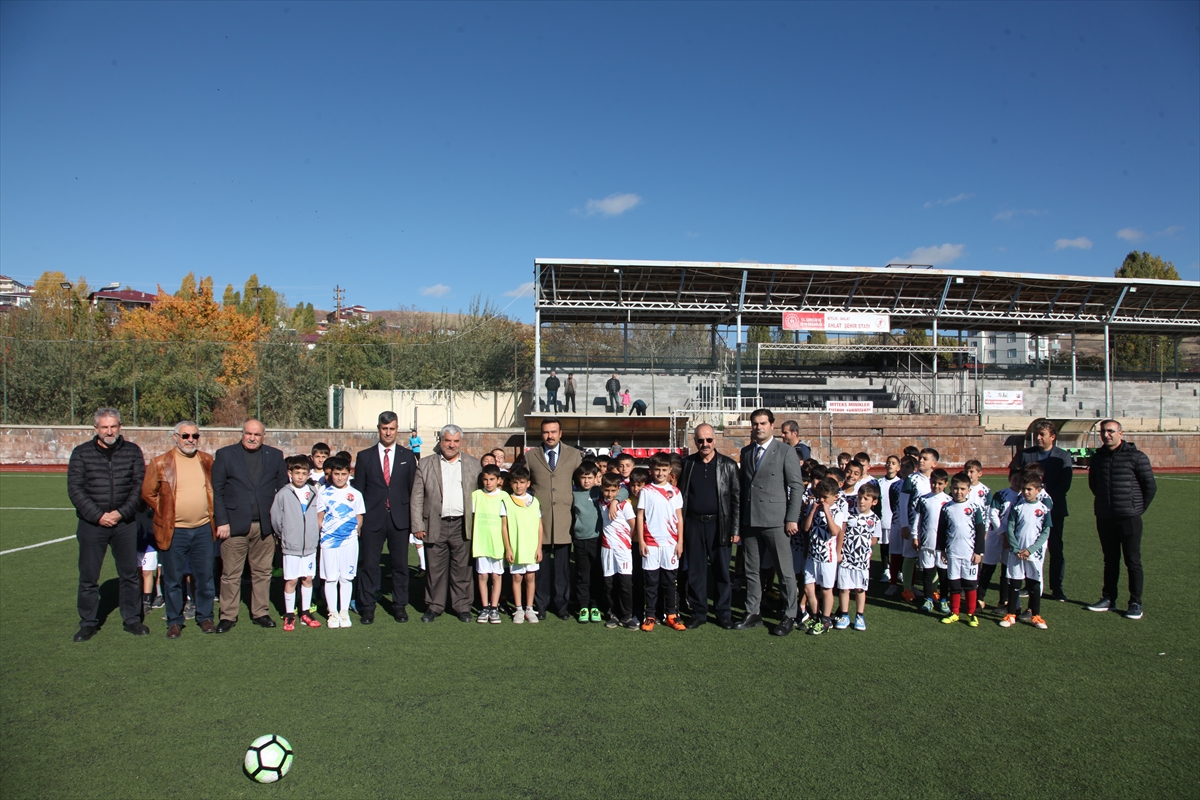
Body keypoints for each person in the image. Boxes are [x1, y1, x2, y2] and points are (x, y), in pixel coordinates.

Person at [67, 408, 149, 641]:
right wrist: (98, 515)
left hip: (124, 524)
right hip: (92, 525)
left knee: (130, 574)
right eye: (104, 427)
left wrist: (121, 513)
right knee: (89, 576)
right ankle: (88, 623)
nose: (109, 431)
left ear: (120, 427)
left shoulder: (133, 451)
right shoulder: (81, 453)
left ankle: (132, 619)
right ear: (96, 429)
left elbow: (138, 487)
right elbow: (75, 489)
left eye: (113, 426)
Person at [141, 420, 216, 638]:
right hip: (174, 531)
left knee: (204, 577)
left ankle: (206, 617)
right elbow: (148, 493)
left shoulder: (207, 460)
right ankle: (174, 620)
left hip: (203, 528)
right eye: (185, 436)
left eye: (194, 436)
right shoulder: (160, 463)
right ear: (175, 437)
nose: (190, 440)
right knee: (173, 579)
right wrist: (165, 511)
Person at [211, 419, 287, 633]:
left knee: (263, 572)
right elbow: (217, 492)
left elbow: (282, 491)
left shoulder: (275, 456)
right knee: (231, 574)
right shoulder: (225, 455)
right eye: (248, 433)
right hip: (233, 526)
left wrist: (278, 525)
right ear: (242, 433)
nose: (252, 437)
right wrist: (222, 521)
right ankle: (228, 615)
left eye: (257, 434)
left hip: (264, 526)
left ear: (264, 436)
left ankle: (261, 612)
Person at [735, 408, 804, 636]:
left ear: (772, 425)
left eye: (763, 423)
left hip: (777, 520)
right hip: (751, 520)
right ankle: (752, 612)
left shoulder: (785, 451)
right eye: (755, 423)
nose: (759, 427)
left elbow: (796, 486)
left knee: (785, 572)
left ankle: (789, 614)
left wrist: (792, 517)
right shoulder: (746, 452)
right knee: (751, 570)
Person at [1086, 420, 1156, 620]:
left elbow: (1149, 487)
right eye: (1103, 431)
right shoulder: (1098, 458)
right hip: (1105, 516)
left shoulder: (1136, 457)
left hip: (1129, 517)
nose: (1106, 435)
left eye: (1110, 431)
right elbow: (1094, 485)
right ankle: (1108, 598)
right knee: (1110, 559)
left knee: (1132, 560)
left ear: (1120, 433)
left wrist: (1137, 509)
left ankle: (1135, 602)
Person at [411, 424, 480, 623]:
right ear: (440, 441)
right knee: (435, 569)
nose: (451, 445)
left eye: (456, 441)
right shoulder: (425, 464)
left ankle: (462, 606)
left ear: (461, 442)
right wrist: (417, 525)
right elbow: (417, 497)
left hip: (462, 524)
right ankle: (434, 606)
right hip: (435, 523)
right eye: (447, 440)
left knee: (463, 568)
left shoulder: (473, 464)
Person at [353, 411, 416, 624]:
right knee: (369, 564)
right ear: (378, 429)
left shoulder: (408, 457)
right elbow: (358, 492)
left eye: (392, 429)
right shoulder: (364, 456)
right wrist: (359, 520)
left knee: (399, 565)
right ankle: (367, 606)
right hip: (372, 519)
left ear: (397, 429)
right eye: (384, 428)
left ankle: (399, 606)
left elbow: (411, 491)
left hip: (399, 519)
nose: (388, 433)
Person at [677, 423, 740, 629]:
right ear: (694, 441)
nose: (705, 444)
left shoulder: (728, 465)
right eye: (700, 440)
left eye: (709, 440)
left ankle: (723, 613)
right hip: (693, 524)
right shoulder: (687, 464)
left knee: (722, 571)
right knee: (696, 571)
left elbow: (736, 500)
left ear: (715, 440)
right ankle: (698, 612)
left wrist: (735, 530)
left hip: (719, 525)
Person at [525, 417, 583, 620]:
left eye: (553, 432)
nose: (549, 436)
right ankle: (541, 604)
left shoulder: (575, 455)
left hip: (564, 520)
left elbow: (586, 482)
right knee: (540, 567)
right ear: (541, 434)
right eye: (546, 432)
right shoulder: (531, 456)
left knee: (563, 568)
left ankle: (562, 605)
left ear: (561, 433)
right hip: (539, 521)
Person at [1017, 420, 1073, 601]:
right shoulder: (1026, 455)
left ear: (1053, 437)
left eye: (1042, 435)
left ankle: (1057, 588)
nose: (1038, 438)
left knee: (1055, 548)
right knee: (1028, 545)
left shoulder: (1063, 456)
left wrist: (1043, 502)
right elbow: (1017, 479)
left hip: (1053, 509)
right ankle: (1029, 584)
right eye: (1036, 435)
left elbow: (1065, 484)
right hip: (1028, 509)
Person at [271, 455, 323, 632]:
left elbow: (318, 515)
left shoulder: (313, 492)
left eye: (303, 473)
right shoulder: (283, 493)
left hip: (309, 545)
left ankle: (306, 612)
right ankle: (289, 614)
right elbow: (276, 519)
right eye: (296, 473)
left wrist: (313, 533)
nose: (300, 476)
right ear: (289, 473)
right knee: (292, 580)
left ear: (309, 474)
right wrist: (286, 535)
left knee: (307, 578)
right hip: (291, 545)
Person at [636, 453, 686, 632]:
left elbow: (679, 518)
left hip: (670, 544)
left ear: (670, 471)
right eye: (657, 469)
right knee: (651, 582)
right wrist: (641, 541)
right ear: (651, 470)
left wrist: (680, 542)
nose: (660, 473)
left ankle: (671, 615)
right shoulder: (646, 491)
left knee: (670, 581)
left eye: (664, 470)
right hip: (651, 544)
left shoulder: (676, 492)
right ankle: (650, 615)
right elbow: (641, 516)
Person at [316, 456, 364, 628]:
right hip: (329, 542)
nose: (339, 477)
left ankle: (344, 612)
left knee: (346, 578)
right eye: (336, 474)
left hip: (349, 542)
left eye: (343, 474)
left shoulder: (356, 494)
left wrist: (353, 530)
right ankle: (333, 613)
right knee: (330, 578)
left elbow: (359, 516)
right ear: (331, 475)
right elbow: (319, 517)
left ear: (349, 473)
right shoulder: (323, 493)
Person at [999, 476, 1051, 630]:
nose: (1026, 492)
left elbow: (1045, 532)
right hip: (1016, 553)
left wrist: (1030, 550)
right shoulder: (1017, 508)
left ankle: (1036, 615)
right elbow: (1010, 528)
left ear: (1038, 490)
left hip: (1033, 554)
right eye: (1024, 489)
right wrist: (1015, 548)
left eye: (1029, 489)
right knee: (1014, 582)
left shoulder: (1043, 509)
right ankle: (1011, 614)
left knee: (1034, 583)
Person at [937, 472, 987, 627]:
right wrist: (942, 550)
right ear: (951, 488)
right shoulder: (947, 508)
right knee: (954, 584)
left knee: (970, 584)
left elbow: (980, 531)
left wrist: (979, 552)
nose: (959, 492)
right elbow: (942, 530)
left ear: (969, 490)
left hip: (970, 554)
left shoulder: (974, 508)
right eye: (956, 488)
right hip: (953, 553)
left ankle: (971, 613)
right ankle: (955, 612)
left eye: (963, 489)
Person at [802, 477, 846, 635]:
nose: (822, 500)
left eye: (825, 497)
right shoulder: (814, 509)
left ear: (835, 497)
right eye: (820, 496)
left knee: (827, 589)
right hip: (812, 555)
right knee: (808, 587)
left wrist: (827, 512)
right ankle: (814, 615)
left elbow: (835, 531)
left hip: (827, 557)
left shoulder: (838, 512)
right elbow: (806, 528)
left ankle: (825, 619)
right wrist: (813, 511)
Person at [834, 482, 880, 631]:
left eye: (866, 498)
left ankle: (860, 615)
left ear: (874, 502)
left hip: (861, 560)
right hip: (847, 558)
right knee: (844, 588)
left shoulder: (875, 520)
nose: (861, 501)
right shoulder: (849, 515)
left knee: (860, 589)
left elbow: (874, 538)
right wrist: (839, 551)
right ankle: (844, 614)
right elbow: (842, 533)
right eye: (860, 497)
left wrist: (867, 549)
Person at [503, 465, 543, 623]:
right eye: (515, 482)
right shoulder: (507, 501)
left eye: (522, 482)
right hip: (516, 548)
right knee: (517, 578)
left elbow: (540, 526)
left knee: (530, 578)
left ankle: (529, 608)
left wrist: (539, 547)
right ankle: (518, 609)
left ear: (528, 483)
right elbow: (504, 527)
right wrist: (508, 548)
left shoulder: (534, 501)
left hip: (531, 548)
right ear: (511, 483)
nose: (518, 486)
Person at [980, 467, 1023, 613]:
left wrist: (1011, 537)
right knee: (988, 567)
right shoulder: (1002, 494)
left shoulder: (1025, 497)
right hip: (996, 536)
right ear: (1009, 479)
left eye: (1020, 479)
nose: (1017, 482)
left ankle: (1003, 600)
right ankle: (980, 598)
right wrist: (1003, 534)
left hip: (1012, 540)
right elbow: (993, 515)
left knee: (1006, 570)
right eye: (1014, 479)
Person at [598, 472, 638, 629]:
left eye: (613, 490)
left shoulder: (624, 505)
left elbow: (633, 524)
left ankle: (626, 616)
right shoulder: (600, 503)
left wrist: (627, 540)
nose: (609, 494)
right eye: (607, 490)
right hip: (607, 549)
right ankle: (612, 614)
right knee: (609, 584)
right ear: (602, 489)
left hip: (623, 550)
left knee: (625, 584)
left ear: (618, 490)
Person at [898, 447, 939, 601]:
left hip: (931, 527)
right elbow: (903, 503)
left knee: (933, 557)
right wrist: (904, 525)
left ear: (934, 464)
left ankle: (933, 590)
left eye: (925, 459)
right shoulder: (912, 479)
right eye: (920, 458)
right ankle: (907, 589)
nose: (921, 461)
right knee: (910, 556)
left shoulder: (937, 480)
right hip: (913, 525)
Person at [911, 468, 952, 615]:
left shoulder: (949, 501)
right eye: (934, 483)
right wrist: (915, 536)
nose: (936, 486)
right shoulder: (924, 499)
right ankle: (928, 598)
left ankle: (943, 599)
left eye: (940, 483)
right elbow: (917, 519)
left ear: (946, 484)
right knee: (928, 573)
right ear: (930, 482)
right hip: (926, 542)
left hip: (942, 546)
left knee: (943, 574)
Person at [471, 464, 508, 624]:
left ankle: (494, 608)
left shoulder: (504, 496)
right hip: (481, 543)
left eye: (492, 479)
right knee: (482, 576)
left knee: (496, 576)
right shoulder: (476, 495)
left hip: (498, 544)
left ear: (498, 480)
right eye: (485, 479)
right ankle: (484, 607)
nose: (488, 482)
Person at [571, 463, 603, 623]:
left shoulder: (599, 491)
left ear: (595, 478)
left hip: (597, 540)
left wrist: (617, 500)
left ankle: (595, 605)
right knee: (583, 574)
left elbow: (622, 490)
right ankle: (583, 605)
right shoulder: (574, 494)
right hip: (580, 540)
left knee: (597, 574)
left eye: (589, 478)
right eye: (583, 478)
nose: (586, 481)